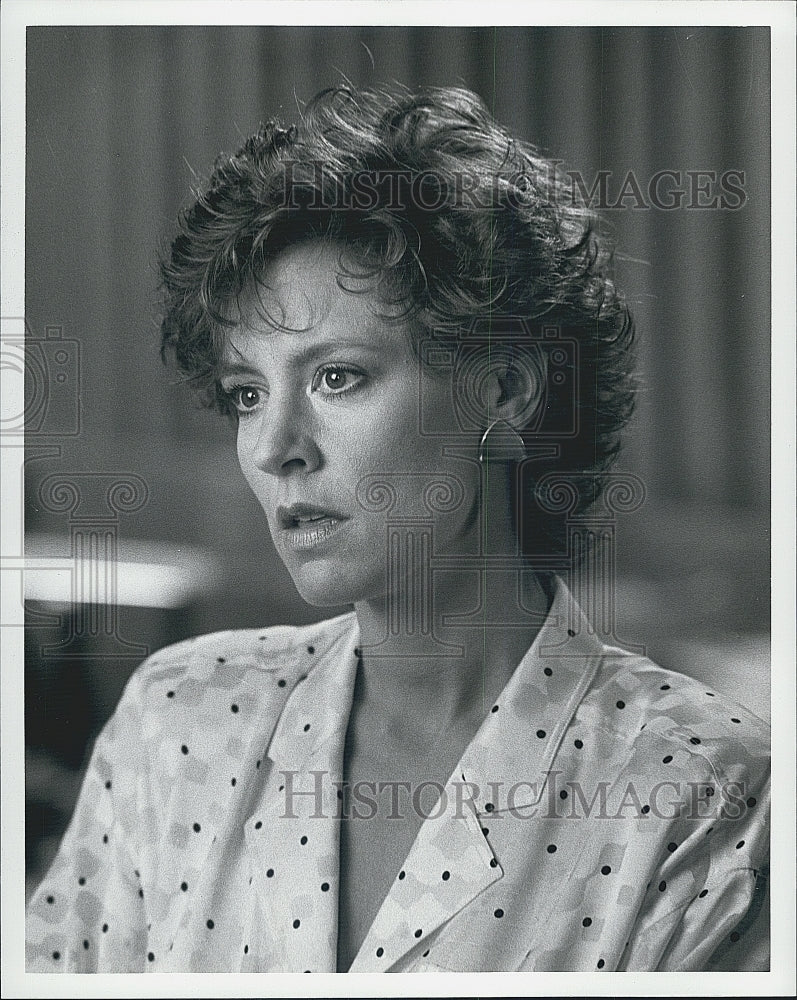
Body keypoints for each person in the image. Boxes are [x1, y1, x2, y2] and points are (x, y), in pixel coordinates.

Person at [25, 84, 769, 973]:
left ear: (503, 390)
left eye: (337, 377)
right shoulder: (177, 719)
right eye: (245, 393)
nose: (273, 447)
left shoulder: (700, 790)